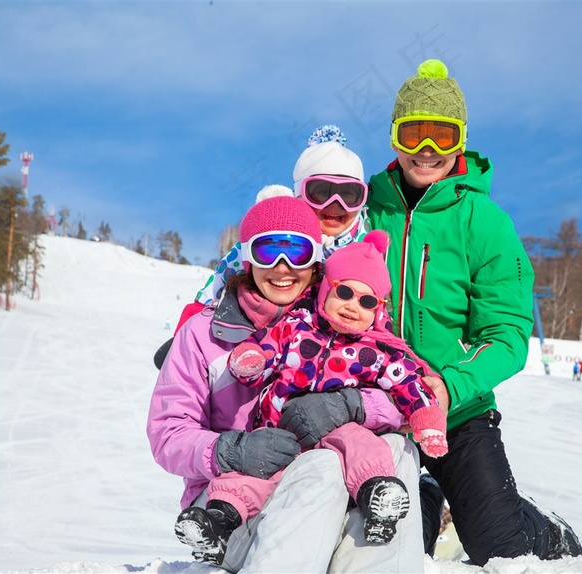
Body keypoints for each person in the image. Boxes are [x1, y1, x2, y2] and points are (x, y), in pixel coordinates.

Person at [365, 58, 582, 566]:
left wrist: (450, 385)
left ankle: (543, 529)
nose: (426, 150)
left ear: (459, 140)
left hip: (457, 411)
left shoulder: (484, 222)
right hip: (373, 410)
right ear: (395, 137)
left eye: (441, 136)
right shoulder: (364, 208)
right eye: (413, 133)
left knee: (500, 550)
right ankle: (429, 501)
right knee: (382, 546)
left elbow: (507, 334)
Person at [147, 194, 425, 572]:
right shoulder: (204, 334)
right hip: (233, 504)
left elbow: (405, 386)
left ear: (315, 261)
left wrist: (353, 405)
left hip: (326, 498)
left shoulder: (345, 315)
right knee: (324, 464)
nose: (282, 268)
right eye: (268, 251)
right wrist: (231, 450)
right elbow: (167, 433)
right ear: (247, 259)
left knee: (397, 449)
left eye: (296, 252)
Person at [199, 231, 447, 545]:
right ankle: (221, 517)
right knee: (256, 465)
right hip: (281, 427)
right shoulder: (297, 326)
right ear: (327, 288)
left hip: (335, 430)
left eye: (367, 301)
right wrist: (250, 360)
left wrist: (428, 419)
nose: (352, 306)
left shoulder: (374, 351)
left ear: (377, 310)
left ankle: (377, 494)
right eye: (344, 292)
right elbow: (265, 347)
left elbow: (407, 382)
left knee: (360, 443)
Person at [152, 125, 370, 369]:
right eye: (321, 192)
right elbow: (221, 279)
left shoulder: (363, 247)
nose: (335, 204)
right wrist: (186, 335)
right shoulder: (274, 234)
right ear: (299, 194)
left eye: (349, 195)